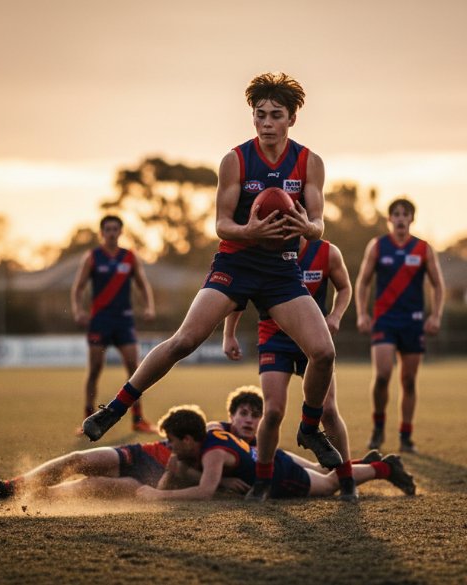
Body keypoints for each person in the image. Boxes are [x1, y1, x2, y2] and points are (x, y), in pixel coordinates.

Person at [82, 72, 342, 473]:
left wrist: (307, 228)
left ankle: (309, 428)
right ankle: (116, 407)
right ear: (252, 117)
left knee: (323, 352)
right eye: (260, 115)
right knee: (184, 340)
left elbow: (319, 223)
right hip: (236, 263)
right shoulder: (236, 159)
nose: (267, 122)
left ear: (292, 119)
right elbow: (221, 224)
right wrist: (250, 231)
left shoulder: (310, 162)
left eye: (276, 115)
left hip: (281, 270)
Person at [222, 238, 358, 501]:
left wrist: (335, 315)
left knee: (328, 411)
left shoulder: (327, 252)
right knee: (272, 412)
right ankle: (263, 481)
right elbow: (238, 293)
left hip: (312, 340)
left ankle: (347, 478)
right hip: (275, 340)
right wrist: (229, 334)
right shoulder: (261, 248)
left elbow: (344, 287)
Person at [0, 386, 265, 500]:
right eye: (243, 414)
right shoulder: (213, 429)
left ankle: (25, 498)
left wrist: (221, 484)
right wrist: (221, 484)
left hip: (151, 480)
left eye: (255, 416)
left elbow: (192, 476)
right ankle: (9, 487)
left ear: (265, 421)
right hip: (142, 454)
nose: (248, 421)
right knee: (77, 462)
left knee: (87, 487)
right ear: (232, 415)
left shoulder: (253, 456)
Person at [134, 405, 416, 502]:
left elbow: (204, 492)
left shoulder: (213, 454)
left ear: (188, 438)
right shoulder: (208, 430)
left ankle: (387, 468)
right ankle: (365, 465)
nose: (169, 446)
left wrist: (159, 496)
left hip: (281, 475)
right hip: (268, 458)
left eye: (172, 440)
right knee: (324, 472)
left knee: (331, 483)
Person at [355, 198, 445, 453]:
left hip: (413, 321)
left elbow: (438, 284)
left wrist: (435, 315)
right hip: (385, 319)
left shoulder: (423, 249)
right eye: (396, 214)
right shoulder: (378, 246)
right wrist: (362, 314)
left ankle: (406, 437)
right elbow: (362, 282)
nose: (401, 218)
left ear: (412, 219)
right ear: (390, 219)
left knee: (409, 380)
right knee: (383, 375)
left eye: (405, 214)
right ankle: (378, 430)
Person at [71, 215, 157, 434]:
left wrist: (149, 306)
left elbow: (142, 284)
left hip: (124, 320)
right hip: (99, 321)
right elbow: (78, 287)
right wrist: (78, 310)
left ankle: (138, 419)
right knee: (95, 370)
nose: (111, 232)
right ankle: (87, 418)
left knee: (134, 370)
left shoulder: (129, 257)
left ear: (120, 232)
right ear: (102, 233)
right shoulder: (92, 257)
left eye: (115, 229)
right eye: (107, 229)